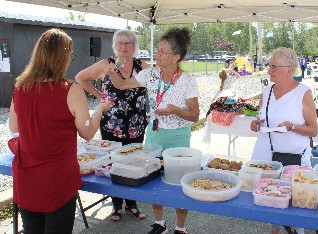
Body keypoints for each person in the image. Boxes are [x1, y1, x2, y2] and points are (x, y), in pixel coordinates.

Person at [8, 28, 111, 233]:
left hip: (27, 178)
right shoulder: (70, 90)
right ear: (62, 57)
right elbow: (87, 133)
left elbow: (14, 127)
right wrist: (100, 109)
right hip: (57, 180)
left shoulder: (21, 87)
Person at [117, 27, 199, 234]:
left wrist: (175, 110)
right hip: (154, 134)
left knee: (180, 183)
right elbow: (122, 84)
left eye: (163, 51)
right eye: (157, 49)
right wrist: (111, 73)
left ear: (176, 57)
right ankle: (159, 224)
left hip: (178, 136)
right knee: (153, 180)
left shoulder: (188, 81)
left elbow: (194, 116)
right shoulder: (151, 74)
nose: (157, 54)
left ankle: (181, 227)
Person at [75, 29, 149, 222]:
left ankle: (132, 203)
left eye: (128, 43)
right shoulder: (106, 64)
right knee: (113, 163)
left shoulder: (143, 66)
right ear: (115, 46)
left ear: (135, 46)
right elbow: (80, 77)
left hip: (136, 124)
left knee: (133, 162)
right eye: (120, 43)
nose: (124, 47)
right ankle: (116, 205)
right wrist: (99, 97)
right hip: (111, 124)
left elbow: (155, 86)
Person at [250, 47, 318, 234]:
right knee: (270, 200)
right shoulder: (266, 92)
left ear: (290, 69)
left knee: (297, 203)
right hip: (268, 157)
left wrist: (293, 127)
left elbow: (314, 130)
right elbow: (262, 117)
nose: (269, 71)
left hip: (295, 159)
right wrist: (256, 123)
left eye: (274, 66)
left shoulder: (303, 93)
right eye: (269, 66)